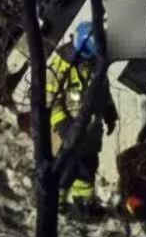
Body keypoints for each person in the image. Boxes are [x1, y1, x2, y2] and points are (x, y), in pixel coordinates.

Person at [46, 21, 118, 219]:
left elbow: (103, 89)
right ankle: (53, 203)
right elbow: (49, 96)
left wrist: (110, 112)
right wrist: (62, 123)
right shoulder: (63, 62)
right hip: (69, 127)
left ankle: (83, 204)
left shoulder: (97, 62)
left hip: (91, 130)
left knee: (87, 168)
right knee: (65, 167)